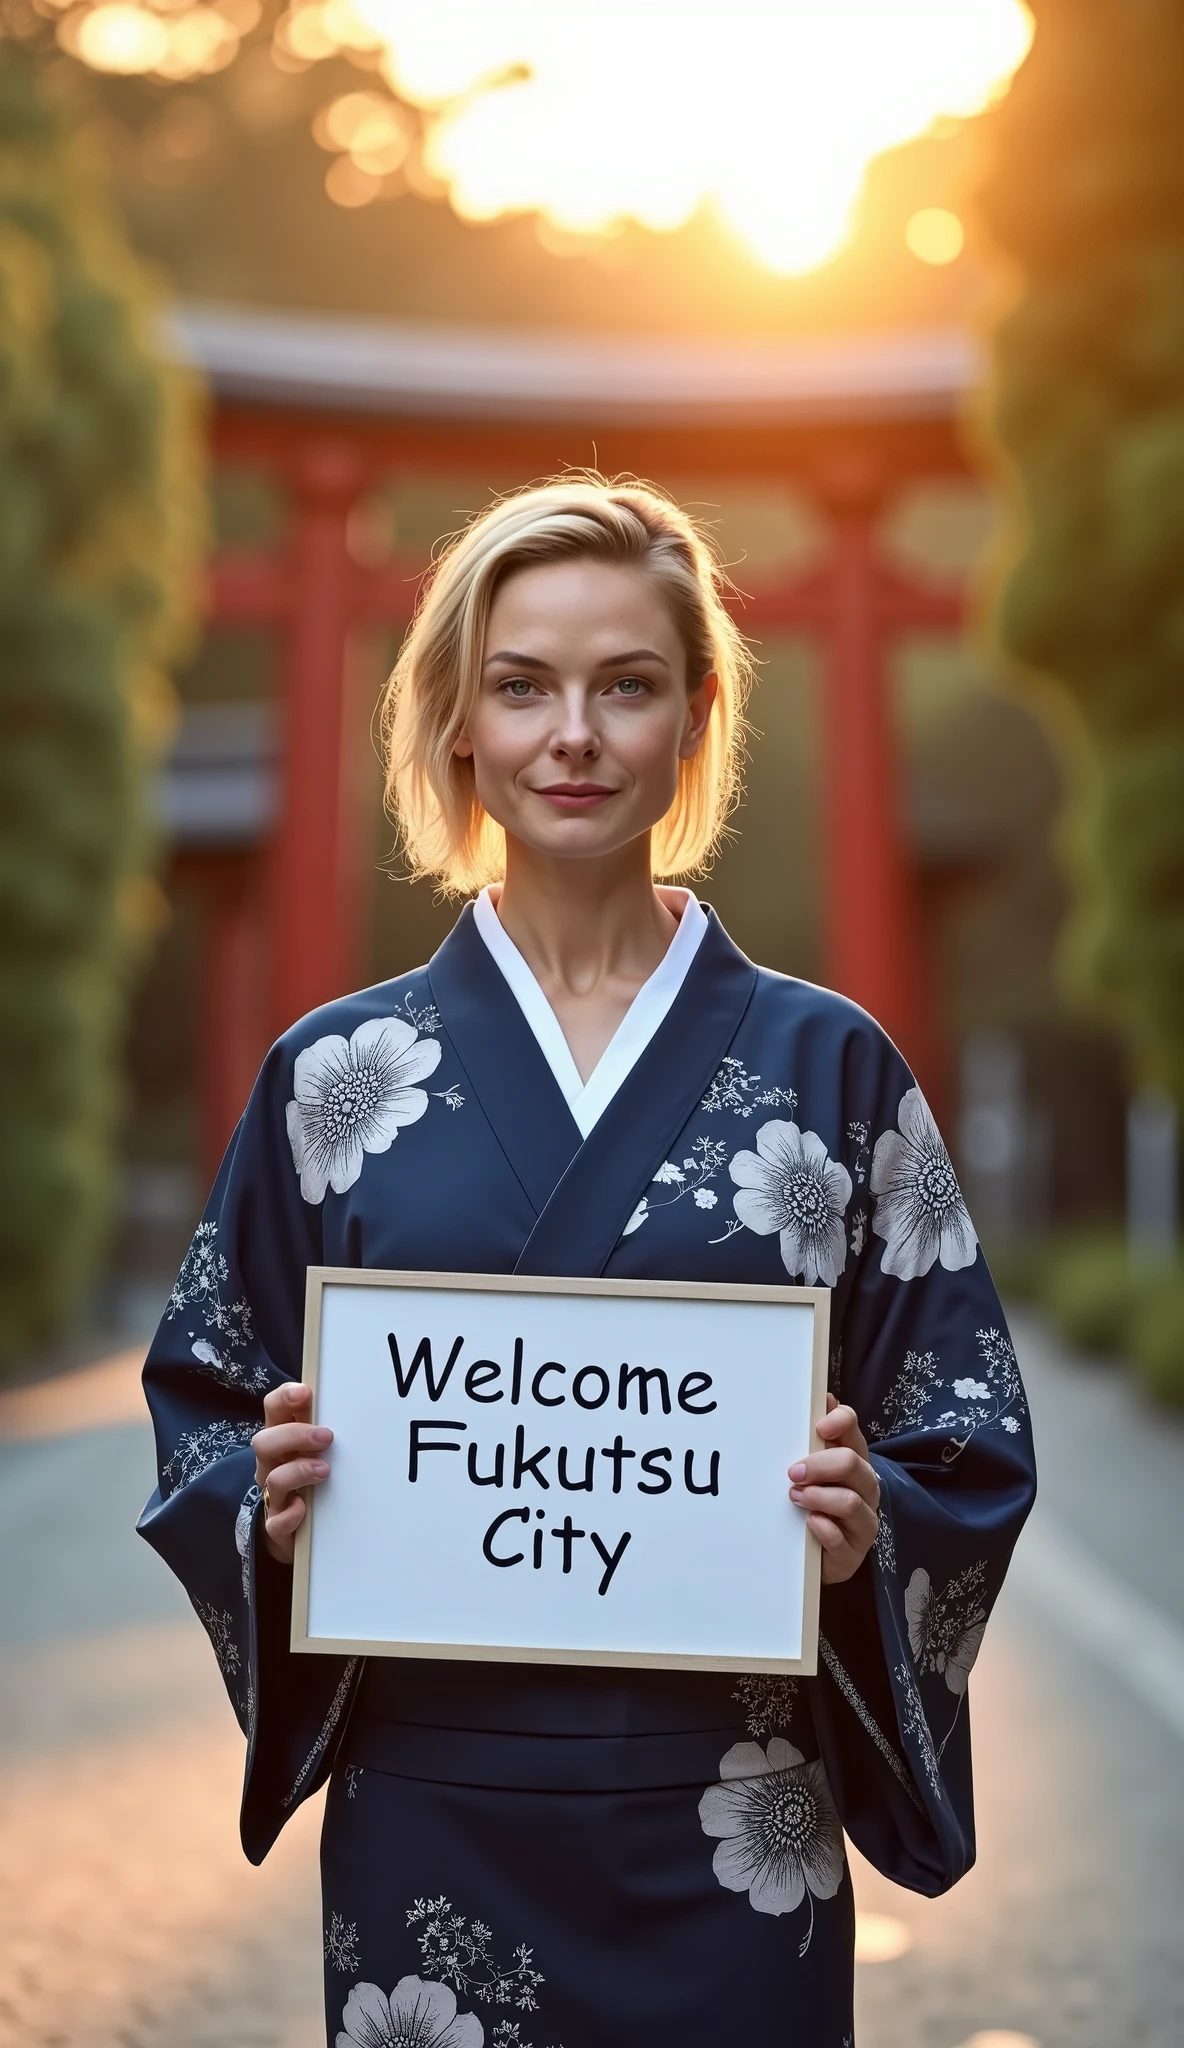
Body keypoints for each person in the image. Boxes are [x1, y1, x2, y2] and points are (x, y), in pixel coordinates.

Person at [139, 476, 1035, 2048]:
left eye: (627, 686)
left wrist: (864, 1526)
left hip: (733, 1816)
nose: (574, 734)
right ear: (458, 724)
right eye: (523, 684)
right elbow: (206, 1398)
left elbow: (963, 1429)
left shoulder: (828, 1070)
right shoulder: (334, 1077)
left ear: (694, 717)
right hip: (436, 1816)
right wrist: (267, 1504)